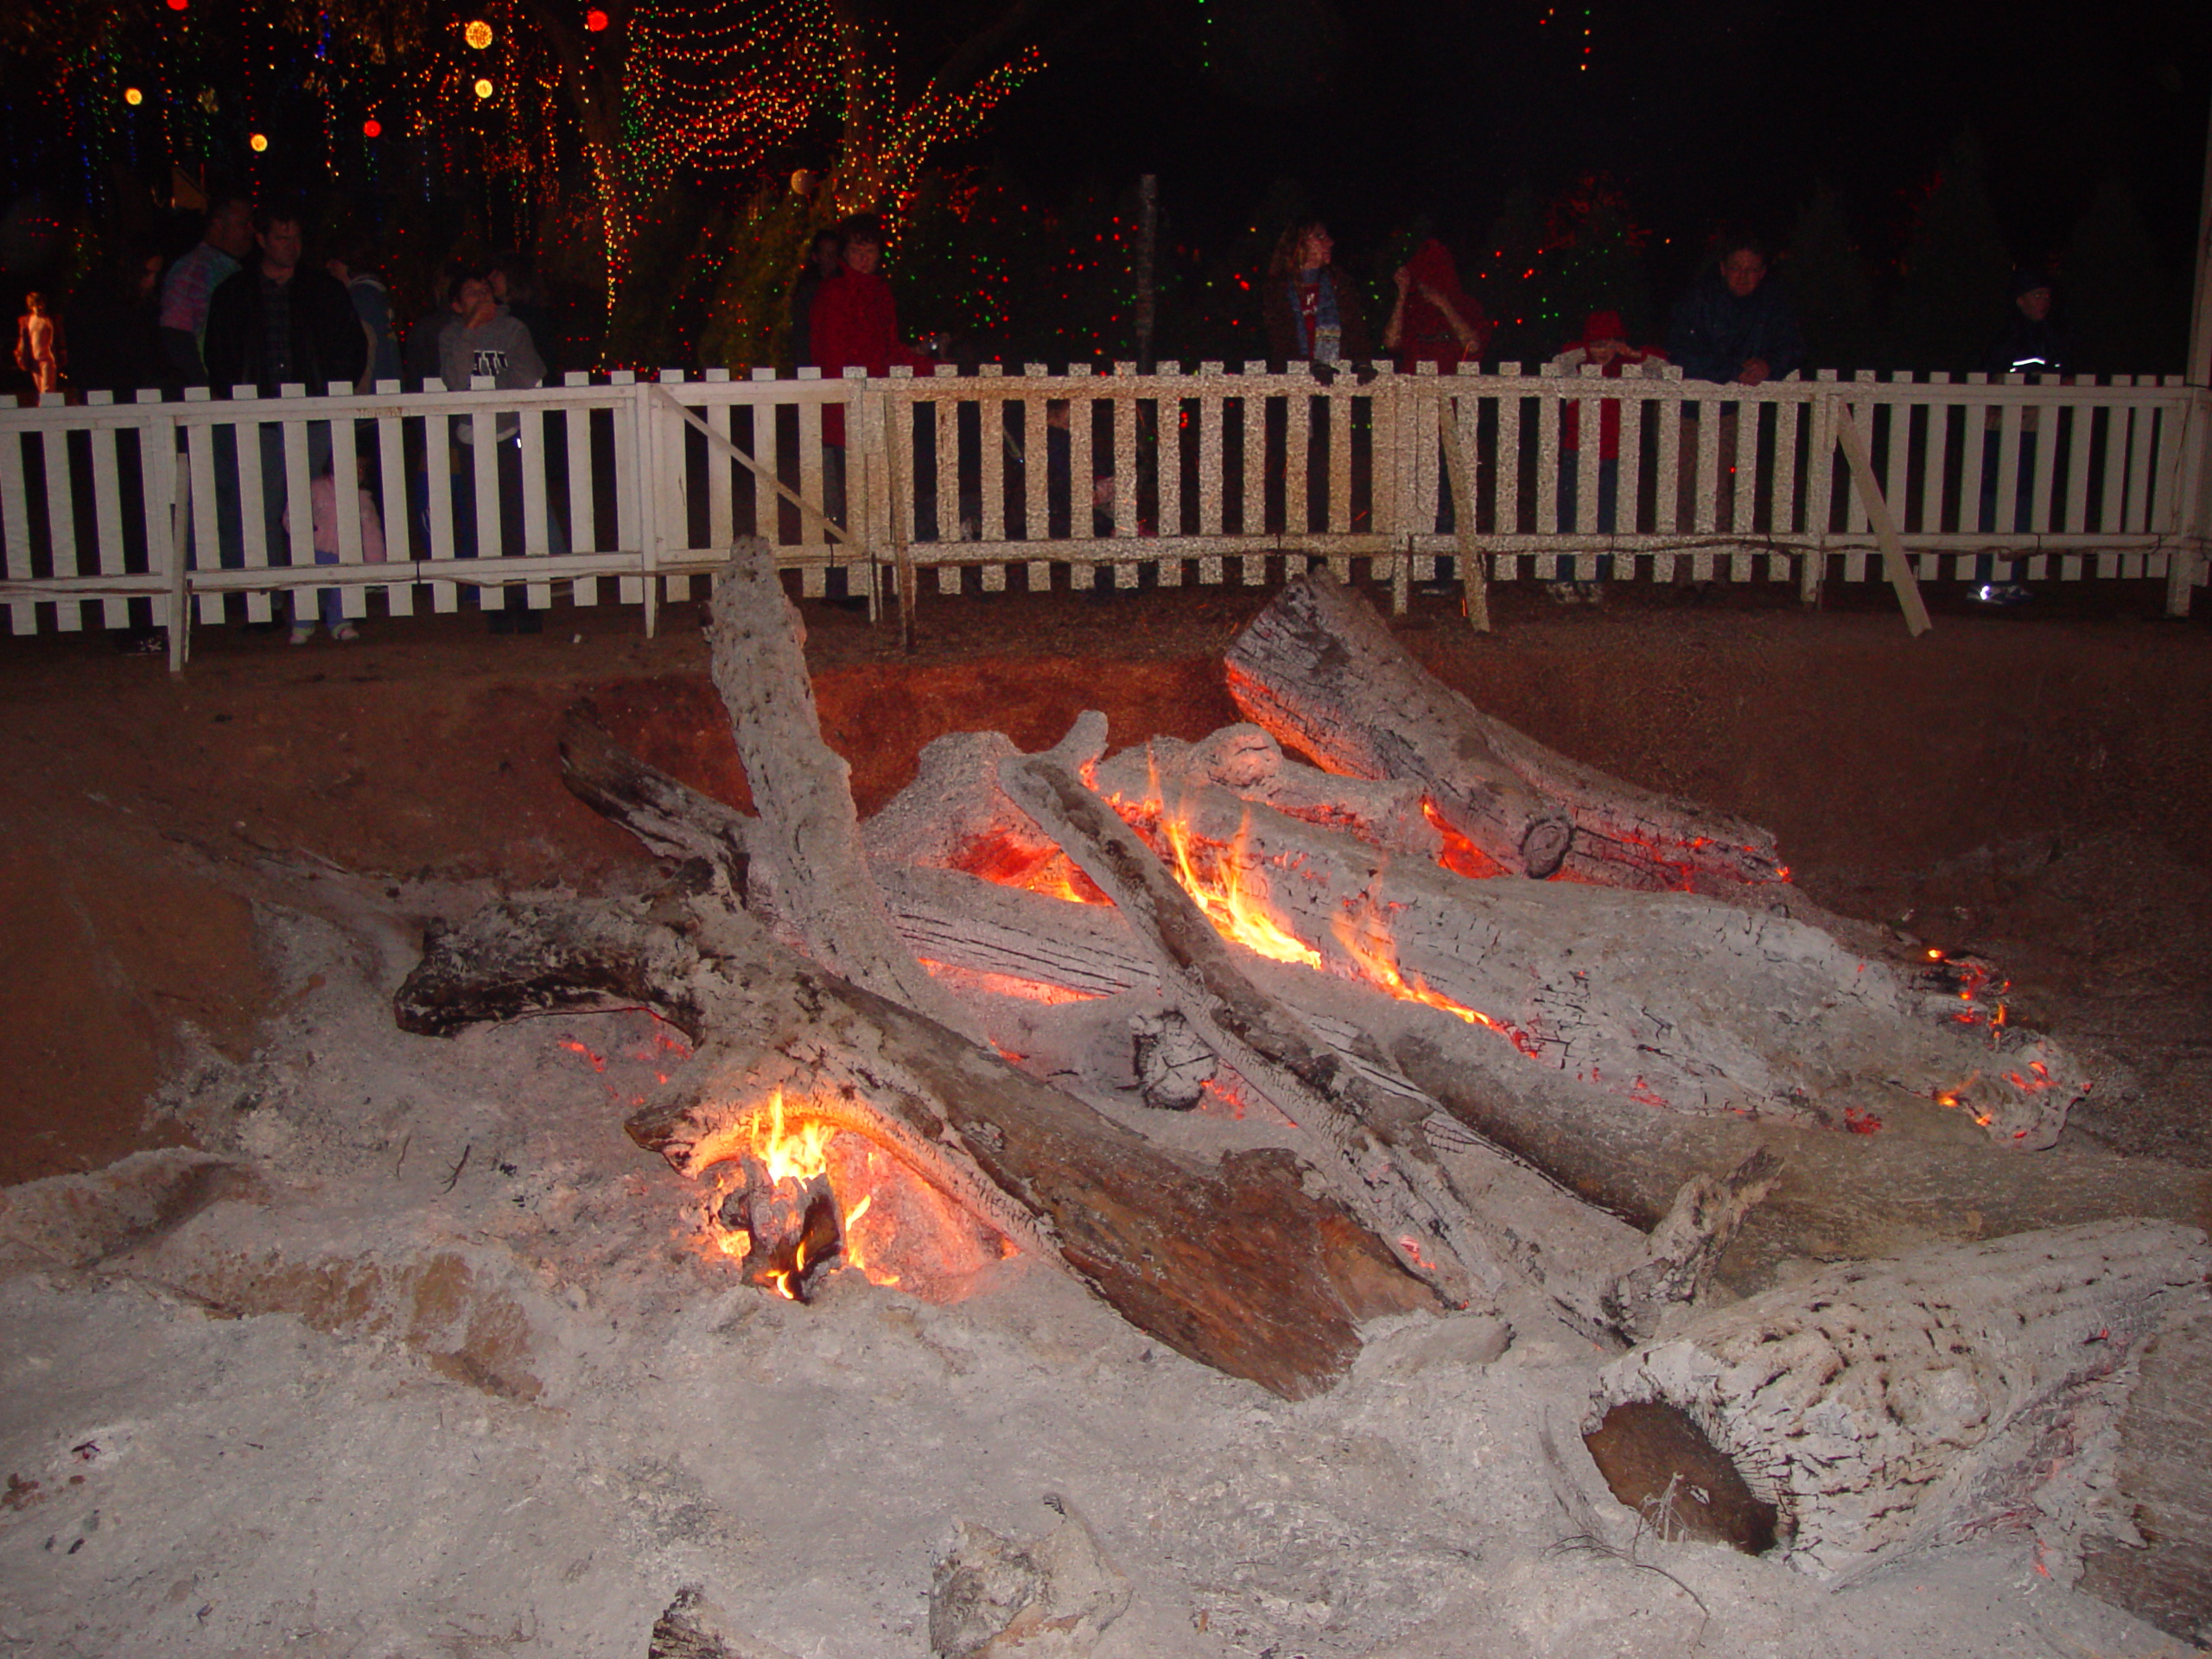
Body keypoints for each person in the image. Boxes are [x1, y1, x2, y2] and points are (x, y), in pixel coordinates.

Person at [201, 202, 368, 641]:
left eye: (296, 237)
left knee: (322, 511)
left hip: (312, 416)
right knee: (261, 512)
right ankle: (270, 600)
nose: (290, 247)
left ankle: (332, 600)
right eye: (280, 237)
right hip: (257, 420)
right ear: (261, 238)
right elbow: (217, 353)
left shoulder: (323, 290)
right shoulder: (234, 294)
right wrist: (237, 398)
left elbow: (351, 346)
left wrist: (331, 393)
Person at [439, 270, 555, 631]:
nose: (480, 297)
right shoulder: (450, 336)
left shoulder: (514, 329)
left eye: (485, 290)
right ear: (457, 305)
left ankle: (527, 600)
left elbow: (530, 376)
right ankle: (498, 603)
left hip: (510, 431)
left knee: (521, 516)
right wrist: (470, 333)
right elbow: (457, 384)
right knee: (484, 519)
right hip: (473, 435)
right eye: (470, 293)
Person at [1667, 232, 1802, 531]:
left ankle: (1712, 569)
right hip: (1687, 409)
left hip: (1732, 411)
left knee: (1717, 487)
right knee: (1683, 487)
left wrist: (1769, 366)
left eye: (1752, 269)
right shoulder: (1699, 300)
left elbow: (1791, 347)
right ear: (1723, 269)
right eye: (1736, 268)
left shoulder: (1772, 305)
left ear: (1763, 272)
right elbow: (1682, 352)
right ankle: (1682, 570)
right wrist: (1732, 369)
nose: (1743, 277)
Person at [810, 214, 935, 528]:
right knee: (854, 501)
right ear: (845, 252)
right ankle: (850, 570)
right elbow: (834, 355)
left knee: (883, 495)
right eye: (856, 251)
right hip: (846, 408)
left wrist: (928, 366)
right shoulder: (833, 293)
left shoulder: (880, 292)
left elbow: (888, 348)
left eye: (870, 251)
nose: (864, 259)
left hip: (876, 404)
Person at [1543, 309, 1666, 601]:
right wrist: (1586, 349)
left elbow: (1663, 367)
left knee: (1605, 518)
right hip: (1577, 452)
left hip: (1613, 456)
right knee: (1569, 516)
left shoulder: (1626, 371)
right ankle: (1562, 576)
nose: (1602, 352)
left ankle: (1593, 577)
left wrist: (1633, 353)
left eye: (1609, 344)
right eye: (1596, 344)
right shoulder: (1576, 370)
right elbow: (1560, 360)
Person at [1970, 269, 2072, 603]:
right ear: (2020, 300)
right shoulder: (2008, 338)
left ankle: (2010, 579)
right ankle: (1985, 581)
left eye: (2047, 295)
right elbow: (1989, 379)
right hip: (2003, 432)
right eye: (2037, 295)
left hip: (2034, 433)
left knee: (2025, 501)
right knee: (1995, 499)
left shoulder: (2051, 336)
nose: (2044, 301)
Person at [158, 194, 255, 386]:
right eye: (244, 224)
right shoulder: (193, 270)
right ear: (218, 224)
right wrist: (202, 387)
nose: (251, 231)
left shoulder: (233, 268)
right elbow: (176, 336)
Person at [1262, 219, 1372, 364]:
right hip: (1294, 378)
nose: (1330, 243)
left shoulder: (1340, 284)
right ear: (1298, 244)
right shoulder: (1277, 290)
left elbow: (1357, 336)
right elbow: (1276, 343)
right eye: (1319, 237)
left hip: (1338, 375)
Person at [64, 244, 166, 395]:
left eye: (156, 275)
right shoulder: (101, 302)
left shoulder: (141, 304)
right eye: (147, 274)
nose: (152, 282)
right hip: (107, 388)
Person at [1382, 238, 1489, 373]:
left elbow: (1473, 346)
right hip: (1414, 382)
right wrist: (1402, 293)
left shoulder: (1465, 305)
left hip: (1450, 381)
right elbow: (1391, 342)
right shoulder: (1412, 307)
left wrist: (1444, 305)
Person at [325, 231, 400, 390]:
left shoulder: (358, 299)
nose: (329, 266)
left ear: (347, 261)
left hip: (373, 398)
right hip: (388, 391)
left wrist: (359, 399)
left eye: (334, 260)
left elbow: (366, 354)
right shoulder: (376, 294)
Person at [788, 228, 842, 369]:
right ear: (815, 257)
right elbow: (802, 333)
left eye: (834, 253)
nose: (831, 258)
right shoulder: (808, 291)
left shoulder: (846, 287)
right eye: (826, 253)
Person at [14, 293, 65, 394]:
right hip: (34, 360)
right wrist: (20, 354)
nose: (39, 308)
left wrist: (61, 353)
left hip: (47, 359)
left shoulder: (50, 320)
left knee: (47, 389)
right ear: (31, 307)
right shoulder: (26, 321)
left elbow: (59, 338)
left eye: (41, 305)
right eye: (36, 305)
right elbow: (23, 339)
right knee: (40, 389)